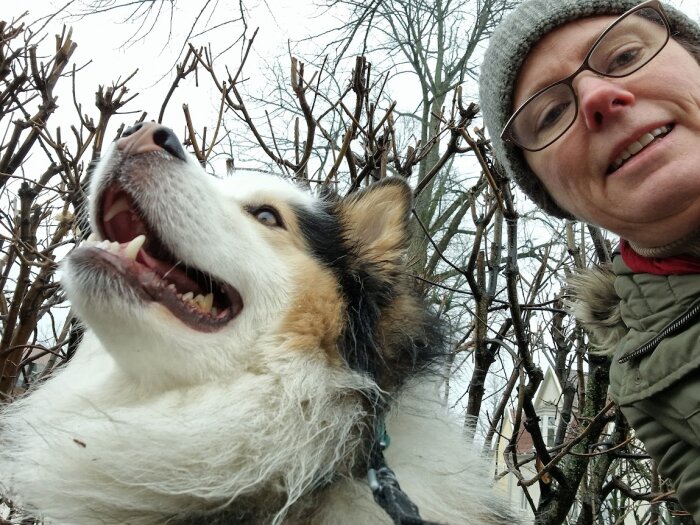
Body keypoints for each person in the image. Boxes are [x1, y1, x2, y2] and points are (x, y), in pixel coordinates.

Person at [479, 0, 700, 520]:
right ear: (555, 197)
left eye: (623, 57)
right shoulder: (648, 380)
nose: (598, 96)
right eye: (551, 114)